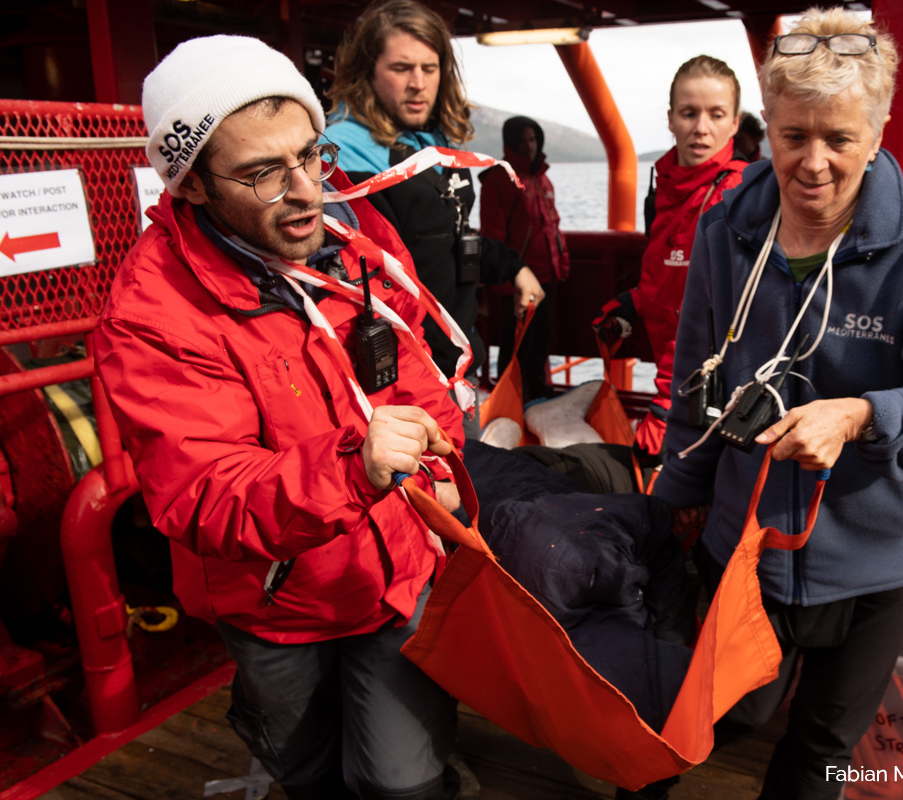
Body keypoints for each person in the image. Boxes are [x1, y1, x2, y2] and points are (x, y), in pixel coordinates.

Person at [652, 9, 903, 800]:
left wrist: (864, 416)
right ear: (768, 128)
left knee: (821, 745)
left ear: (878, 131)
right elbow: (695, 384)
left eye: (839, 139)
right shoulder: (724, 234)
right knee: (695, 718)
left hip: (877, 560)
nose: (812, 163)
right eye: (793, 136)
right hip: (741, 545)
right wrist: (666, 509)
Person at [95, 35, 466, 800]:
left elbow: (419, 375)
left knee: (404, 783)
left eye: (311, 156)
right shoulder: (151, 313)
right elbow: (200, 492)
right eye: (263, 173)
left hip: (397, 568)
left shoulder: (355, 241)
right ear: (190, 184)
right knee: (306, 770)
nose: (305, 192)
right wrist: (351, 467)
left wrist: (442, 467)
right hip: (277, 605)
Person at [324, 0, 544, 436]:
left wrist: (512, 267)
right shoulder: (343, 160)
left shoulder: (432, 143)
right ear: (368, 71)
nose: (418, 83)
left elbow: (449, 236)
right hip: (402, 394)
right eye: (401, 67)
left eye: (430, 67)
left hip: (454, 370)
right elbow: (357, 288)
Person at [592, 55, 747, 466]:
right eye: (689, 113)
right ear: (670, 119)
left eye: (716, 115)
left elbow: (714, 319)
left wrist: (667, 406)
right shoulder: (665, 190)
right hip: (678, 390)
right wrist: (634, 302)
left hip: (708, 403)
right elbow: (672, 283)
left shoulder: (739, 198)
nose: (701, 128)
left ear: (735, 123)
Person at [479, 116, 570, 400]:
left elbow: (552, 226)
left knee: (540, 343)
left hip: (545, 276)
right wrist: (507, 282)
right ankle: (511, 400)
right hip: (517, 282)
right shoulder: (499, 180)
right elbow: (493, 232)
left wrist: (561, 267)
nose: (528, 146)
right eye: (522, 140)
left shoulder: (541, 178)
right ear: (509, 143)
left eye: (532, 139)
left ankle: (537, 395)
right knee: (516, 345)